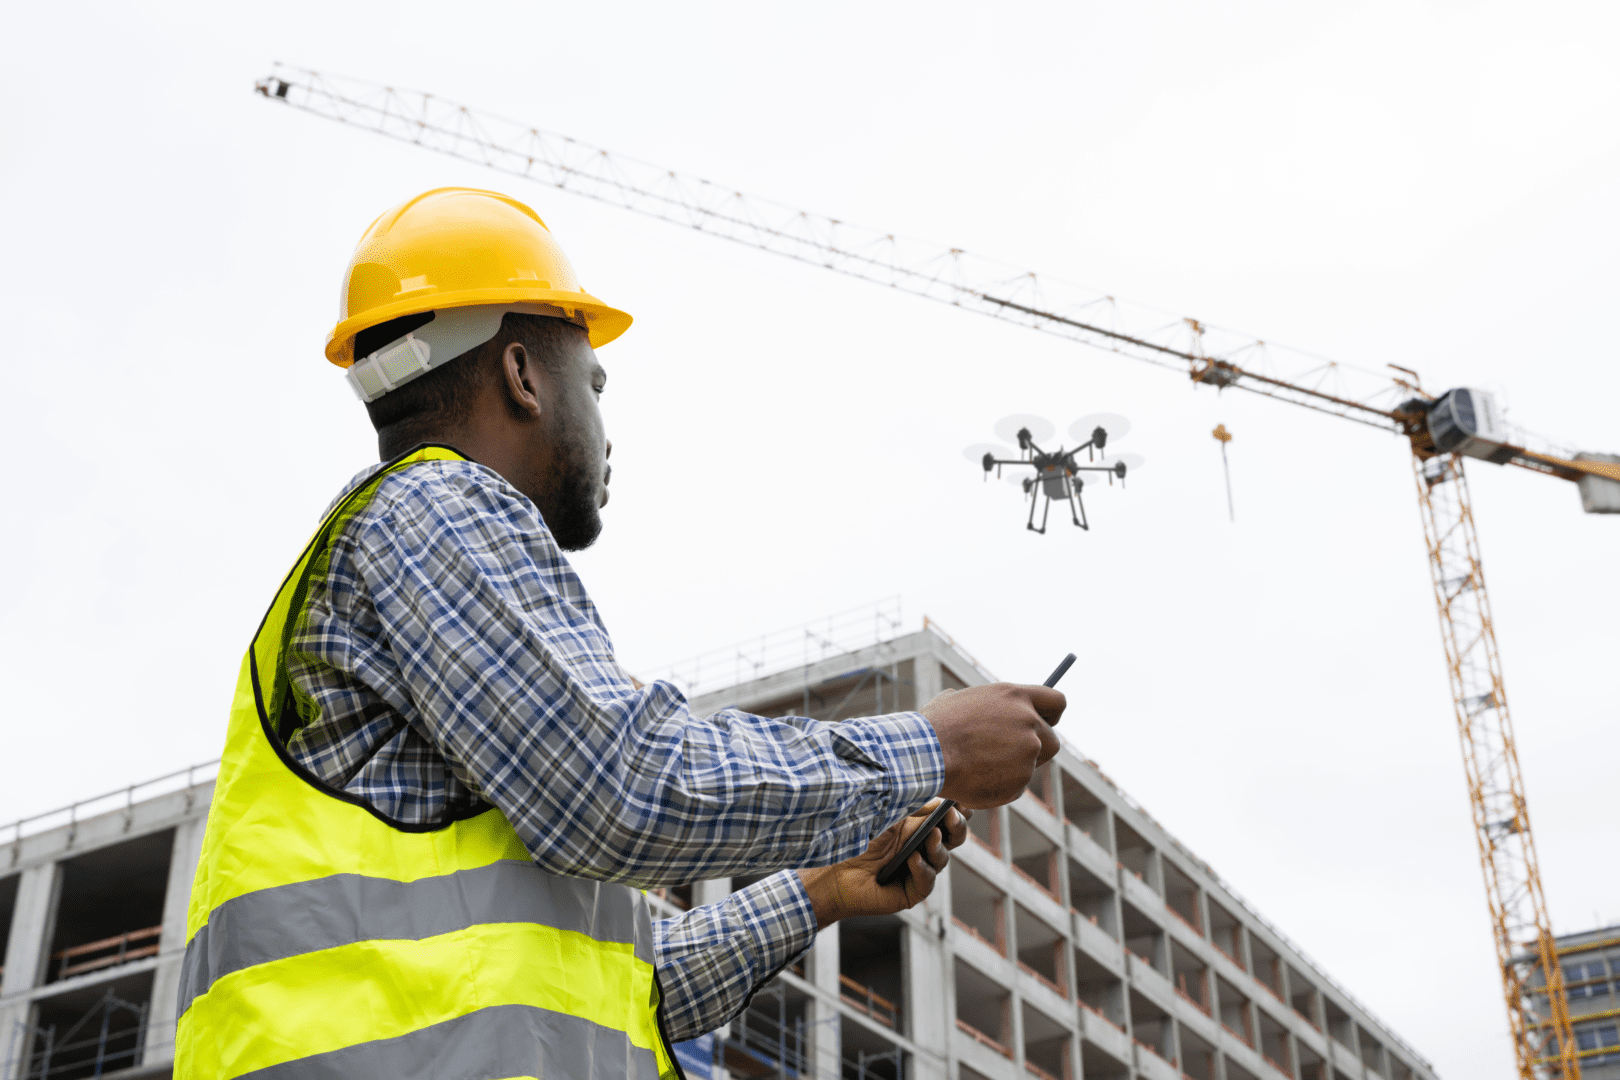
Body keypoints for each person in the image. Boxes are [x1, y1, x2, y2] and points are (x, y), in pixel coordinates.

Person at [175, 187, 1065, 1080]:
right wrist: (929, 749)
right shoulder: (439, 505)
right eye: (593, 383)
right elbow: (618, 789)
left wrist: (823, 890)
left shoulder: (416, 569)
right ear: (523, 375)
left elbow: (621, 989)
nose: (605, 430)